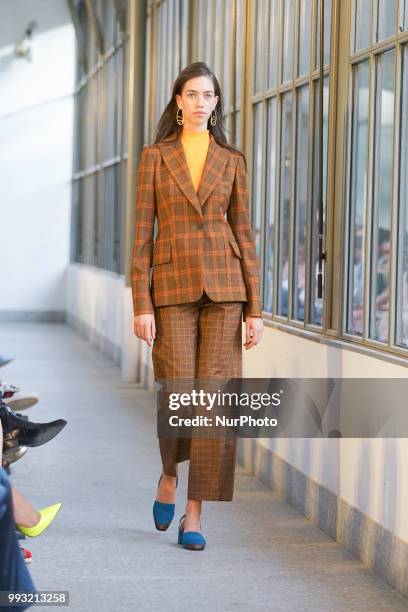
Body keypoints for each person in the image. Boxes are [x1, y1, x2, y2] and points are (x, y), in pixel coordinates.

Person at [132, 61, 264, 550]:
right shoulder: (155, 157)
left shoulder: (232, 160)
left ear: (215, 103)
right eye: (192, 94)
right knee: (177, 391)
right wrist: (140, 303)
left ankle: (194, 514)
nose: (200, 103)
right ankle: (168, 473)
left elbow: (245, 234)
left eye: (208, 96)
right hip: (170, 289)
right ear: (177, 101)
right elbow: (142, 236)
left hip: (226, 289)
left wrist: (256, 308)